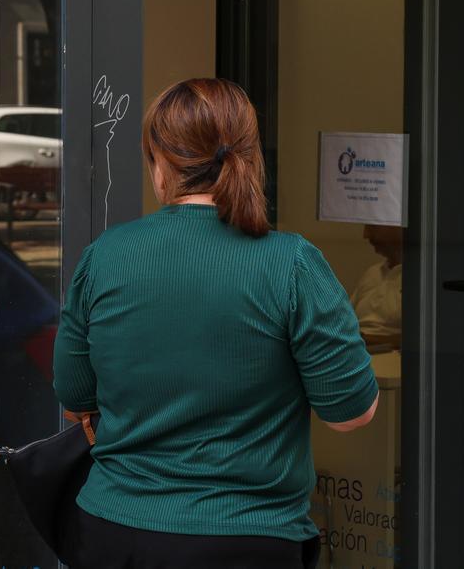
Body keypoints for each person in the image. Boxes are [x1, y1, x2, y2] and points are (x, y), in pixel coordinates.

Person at [53, 79, 379, 569]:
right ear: (249, 156)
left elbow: (74, 397)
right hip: (248, 538)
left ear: (160, 162)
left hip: (114, 531)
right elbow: (350, 412)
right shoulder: (292, 264)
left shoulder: (106, 258)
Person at [350, 224, 403, 352]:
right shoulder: (372, 273)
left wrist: (366, 339)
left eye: (373, 227)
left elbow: (422, 338)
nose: (365, 235)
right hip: (355, 350)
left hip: (388, 358)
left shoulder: (423, 280)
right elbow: (345, 320)